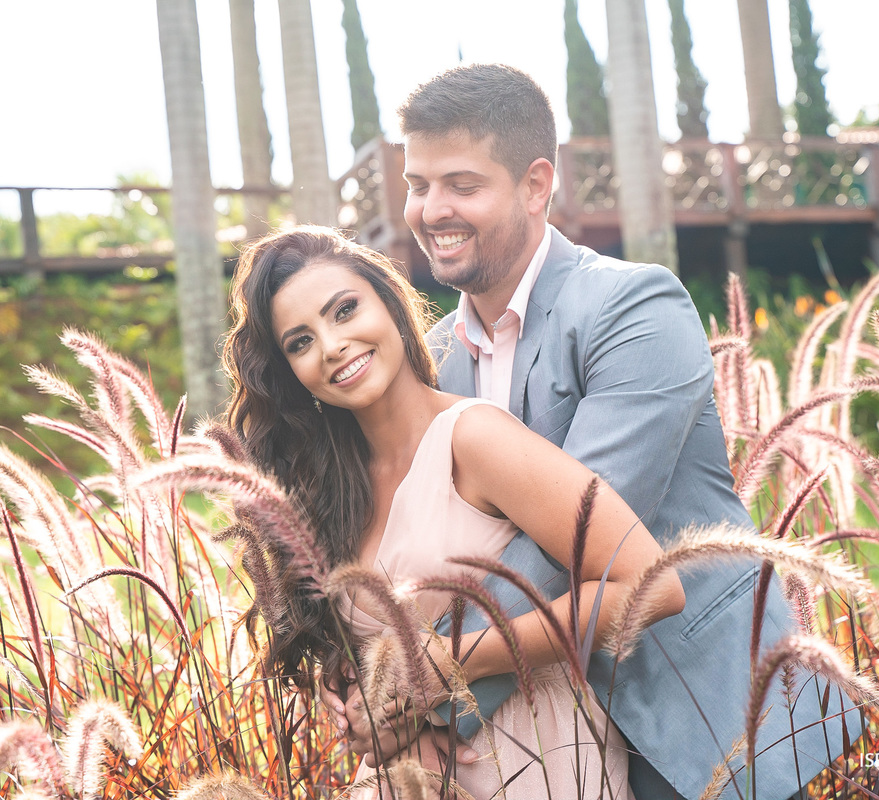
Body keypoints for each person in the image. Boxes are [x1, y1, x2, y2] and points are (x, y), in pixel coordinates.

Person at [324, 64, 863, 800]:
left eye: (462, 184)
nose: (431, 209)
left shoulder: (633, 308)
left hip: (688, 711)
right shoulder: (433, 359)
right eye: (418, 185)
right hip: (536, 747)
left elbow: (571, 540)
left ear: (537, 185)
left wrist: (422, 684)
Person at [222, 225, 688, 798]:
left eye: (344, 310)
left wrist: (451, 661)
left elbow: (653, 586)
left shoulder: (473, 438)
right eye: (300, 341)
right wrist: (348, 682)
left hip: (527, 761)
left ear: (390, 303)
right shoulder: (330, 488)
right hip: (402, 778)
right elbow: (382, 632)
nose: (332, 345)